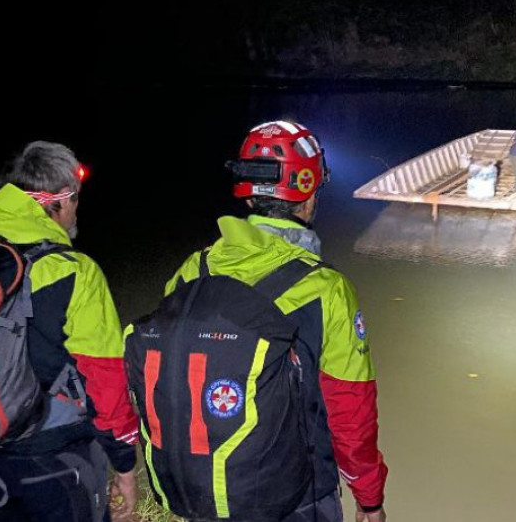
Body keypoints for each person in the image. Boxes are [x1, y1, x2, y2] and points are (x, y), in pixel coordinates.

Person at [164, 121, 388, 522]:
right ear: (308, 198)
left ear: (248, 199)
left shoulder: (190, 273)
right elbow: (350, 411)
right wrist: (369, 498)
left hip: (206, 488)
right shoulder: (326, 289)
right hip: (297, 495)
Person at [0, 141, 139, 521]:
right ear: (61, 200)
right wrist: (124, 463)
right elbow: (105, 378)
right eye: (76, 199)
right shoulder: (74, 270)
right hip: (55, 458)